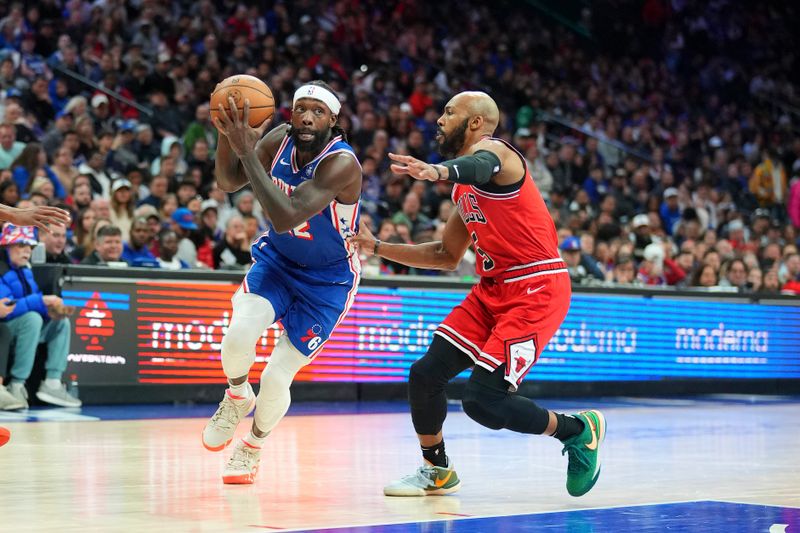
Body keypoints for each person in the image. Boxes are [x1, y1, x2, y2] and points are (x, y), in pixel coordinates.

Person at [351, 91, 604, 498]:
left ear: (473, 123)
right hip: (493, 289)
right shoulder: (463, 190)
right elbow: (446, 255)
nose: (439, 119)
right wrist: (377, 247)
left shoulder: (498, 153)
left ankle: (578, 430)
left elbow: (479, 164)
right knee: (425, 374)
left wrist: (435, 171)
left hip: (536, 286)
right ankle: (437, 470)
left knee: (483, 400)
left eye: (449, 113)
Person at [204, 80, 362, 484]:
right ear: (290, 113)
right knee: (238, 335)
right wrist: (227, 134)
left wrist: (245, 150)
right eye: (301, 108)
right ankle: (237, 395)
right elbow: (228, 180)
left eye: (318, 111)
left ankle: (252, 448)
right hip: (278, 261)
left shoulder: (341, 163)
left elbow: (286, 215)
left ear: (333, 120)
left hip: (327, 281)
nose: (307, 116)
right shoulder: (279, 138)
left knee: (276, 375)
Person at [0, 224, 80, 408]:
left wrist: (51, 310)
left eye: (30, 247)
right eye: (21, 246)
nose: (26, 251)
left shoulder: (25, 270)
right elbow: (5, 308)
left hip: (23, 327)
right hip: (6, 327)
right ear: (6, 246)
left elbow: (32, 302)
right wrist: (41, 301)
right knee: (32, 319)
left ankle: (52, 382)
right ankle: (16, 385)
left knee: (61, 323)